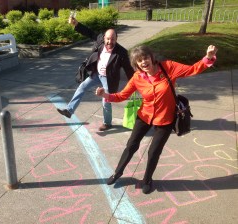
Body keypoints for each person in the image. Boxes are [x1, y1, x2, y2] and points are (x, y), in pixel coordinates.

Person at [95, 44, 218, 193]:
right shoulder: (137, 77)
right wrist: (105, 95)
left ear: (151, 57)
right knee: (131, 145)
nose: (143, 62)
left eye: (145, 58)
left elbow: (192, 69)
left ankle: (147, 179)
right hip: (144, 116)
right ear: (136, 64)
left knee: (154, 151)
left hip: (165, 118)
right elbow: (122, 95)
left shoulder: (168, 67)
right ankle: (118, 172)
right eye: (139, 61)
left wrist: (208, 58)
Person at [56, 16, 134, 131]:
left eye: (112, 39)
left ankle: (107, 123)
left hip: (109, 79)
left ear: (116, 39)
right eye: (107, 39)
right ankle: (69, 110)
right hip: (96, 74)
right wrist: (76, 24)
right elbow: (90, 32)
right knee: (82, 86)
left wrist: (136, 84)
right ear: (104, 38)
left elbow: (129, 70)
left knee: (105, 99)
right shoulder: (101, 41)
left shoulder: (121, 53)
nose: (109, 42)